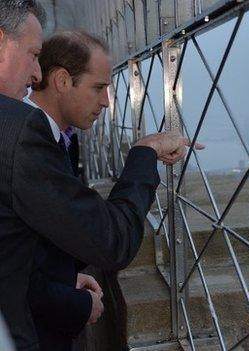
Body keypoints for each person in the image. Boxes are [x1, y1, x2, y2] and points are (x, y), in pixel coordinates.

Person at [0, 1, 201, 350]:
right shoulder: (19, 132)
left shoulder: (46, 137)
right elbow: (112, 240)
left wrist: (64, 277)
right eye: (33, 54)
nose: (35, 75)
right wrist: (144, 154)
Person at [23, 31, 116, 351]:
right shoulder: (27, 145)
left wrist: (64, 279)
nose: (106, 101)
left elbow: (26, 246)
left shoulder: (57, 137)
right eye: (99, 88)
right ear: (62, 80)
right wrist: (143, 157)